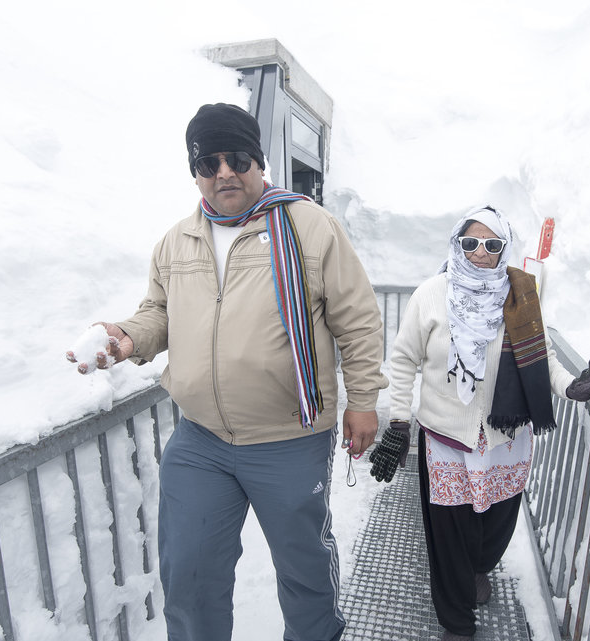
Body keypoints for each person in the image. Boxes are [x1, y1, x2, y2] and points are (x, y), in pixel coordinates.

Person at [69, 103, 388, 641]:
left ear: (259, 162)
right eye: (208, 162)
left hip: (289, 434)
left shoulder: (309, 226)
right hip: (201, 440)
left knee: (304, 569)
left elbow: (356, 320)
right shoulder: (177, 240)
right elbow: (160, 313)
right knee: (188, 572)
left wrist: (363, 401)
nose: (224, 172)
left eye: (237, 158)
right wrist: (128, 336)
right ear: (195, 171)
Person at [368, 206, 590, 641]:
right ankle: (456, 621)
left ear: (504, 248)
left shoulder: (520, 294)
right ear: (456, 243)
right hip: (447, 438)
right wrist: (397, 423)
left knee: (498, 523)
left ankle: (479, 567)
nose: (481, 253)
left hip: (507, 438)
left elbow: (540, 355)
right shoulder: (432, 294)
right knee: (449, 537)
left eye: (492, 244)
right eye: (471, 243)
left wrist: (572, 387)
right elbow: (404, 359)